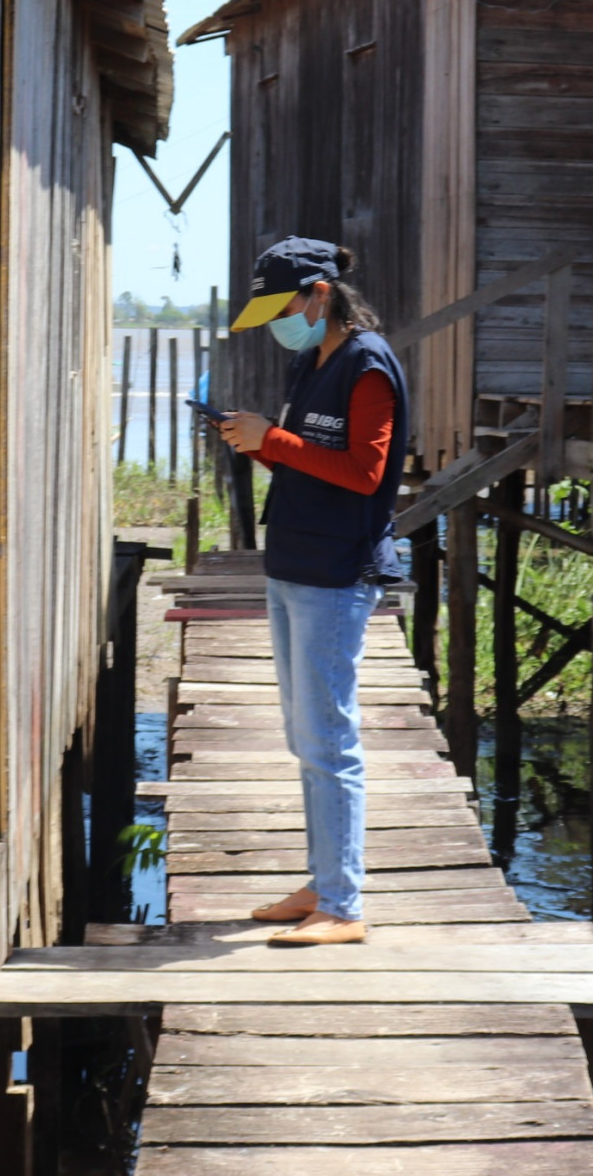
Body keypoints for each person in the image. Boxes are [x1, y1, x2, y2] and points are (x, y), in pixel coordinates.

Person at [213, 238, 410, 946]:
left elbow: (364, 473)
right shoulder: (310, 358)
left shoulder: (369, 366)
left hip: (336, 571)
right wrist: (259, 441)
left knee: (329, 739)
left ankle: (344, 905)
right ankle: (321, 879)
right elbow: (310, 460)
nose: (278, 321)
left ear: (320, 293)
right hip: (291, 561)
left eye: (284, 306)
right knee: (304, 736)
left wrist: (276, 438)